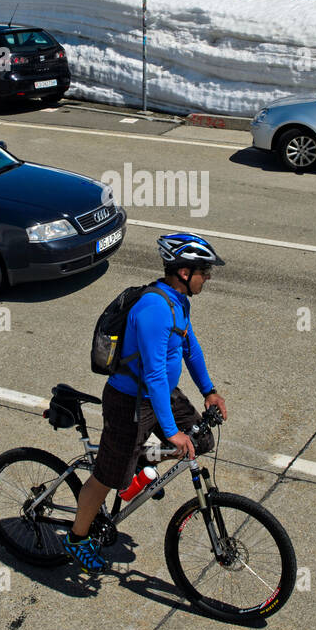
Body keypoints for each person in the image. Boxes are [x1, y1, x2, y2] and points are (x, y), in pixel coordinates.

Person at [62, 233, 228, 572]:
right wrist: (170, 431)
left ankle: (138, 463)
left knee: (201, 438)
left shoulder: (179, 301)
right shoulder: (154, 308)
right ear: (184, 272)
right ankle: (76, 538)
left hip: (162, 396)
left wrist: (209, 391)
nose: (208, 277)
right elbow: (152, 375)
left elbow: (190, 348)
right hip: (131, 402)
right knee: (109, 477)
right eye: (205, 271)